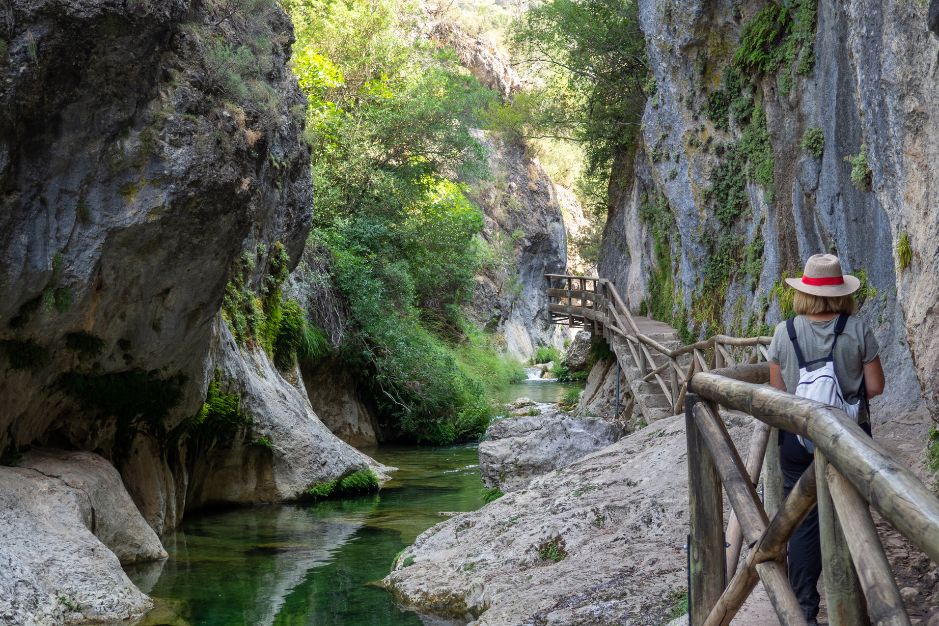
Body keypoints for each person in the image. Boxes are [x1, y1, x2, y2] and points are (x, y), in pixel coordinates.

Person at [766, 253, 885, 625]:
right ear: (841, 293)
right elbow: (876, 387)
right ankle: (855, 606)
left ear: (804, 291)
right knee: (852, 515)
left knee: (801, 522)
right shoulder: (857, 329)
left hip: (797, 442)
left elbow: (777, 390)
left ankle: (804, 608)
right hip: (849, 441)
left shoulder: (784, 332)